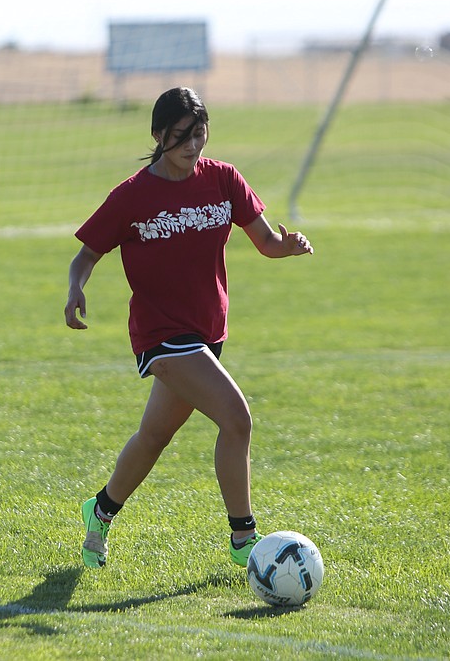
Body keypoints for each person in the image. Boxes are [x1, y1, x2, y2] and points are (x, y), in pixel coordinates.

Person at [64, 86, 313, 570]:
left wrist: (288, 245)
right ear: (158, 135)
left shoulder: (222, 179)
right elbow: (86, 254)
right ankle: (244, 538)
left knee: (153, 437)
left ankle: (100, 510)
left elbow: (263, 240)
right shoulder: (132, 195)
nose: (193, 147)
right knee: (237, 418)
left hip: (208, 333)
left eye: (199, 134)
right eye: (181, 137)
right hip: (161, 335)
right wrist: (76, 288)